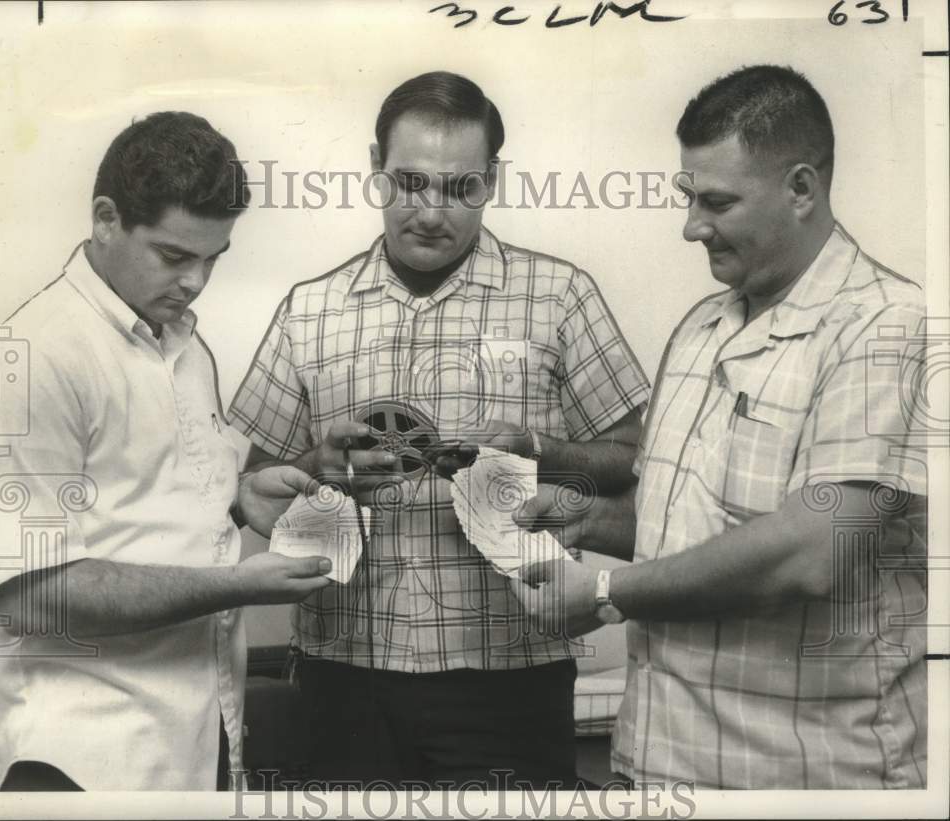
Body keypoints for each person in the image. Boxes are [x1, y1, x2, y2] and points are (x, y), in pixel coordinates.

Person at [228, 71, 649, 787]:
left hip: (511, 681)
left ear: (492, 180)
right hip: (342, 682)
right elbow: (252, 489)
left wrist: (541, 454)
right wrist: (320, 467)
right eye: (410, 181)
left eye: (460, 188)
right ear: (375, 170)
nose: (430, 210)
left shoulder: (560, 296)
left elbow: (639, 463)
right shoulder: (310, 311)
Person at [514, 65, 928, 789]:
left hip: (805, 779)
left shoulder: (889, 326)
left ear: (802, 189)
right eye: (688, 196)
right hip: (659, 766)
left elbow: (811, 549)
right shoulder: (703, 327)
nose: (690, 226)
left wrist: (605, 592)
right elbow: (679, 518)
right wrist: (580, 515)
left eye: (718, 202)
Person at [0, 111, 332, 791]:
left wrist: (247, 496)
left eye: (212, 258)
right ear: (106, 219)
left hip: (195, 740)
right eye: (175, 256)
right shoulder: (33, 358)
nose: (196, 281)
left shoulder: (186, 347)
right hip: (76, 758)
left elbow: (175, 507)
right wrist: (235, 588)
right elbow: (31, 592)